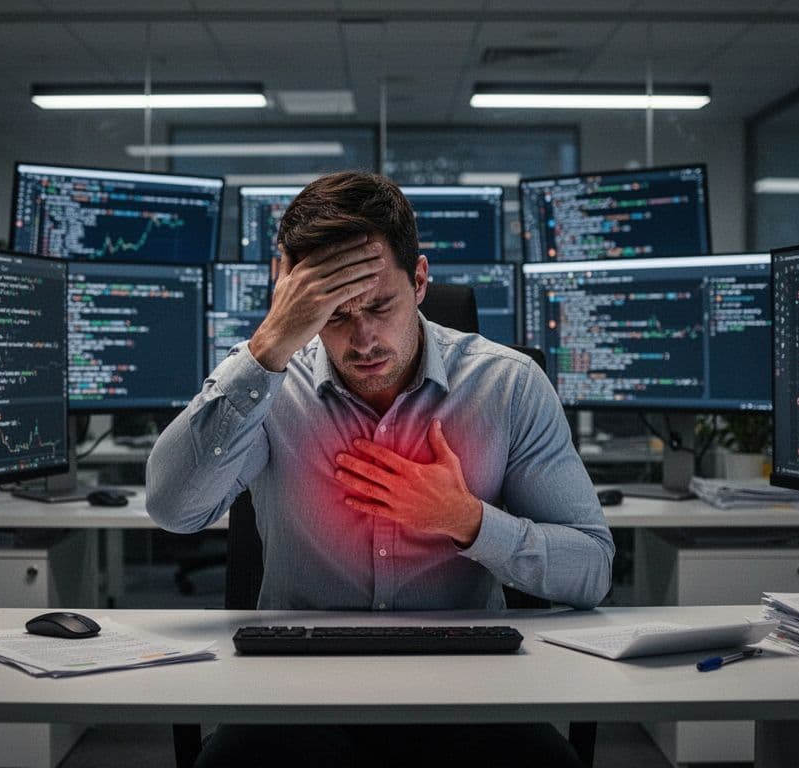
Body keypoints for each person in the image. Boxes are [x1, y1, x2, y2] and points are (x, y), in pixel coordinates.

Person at [146, 171, 614, 767]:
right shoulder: (268, 386)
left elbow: (592, 570)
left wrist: (468, 521)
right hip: (296, 694)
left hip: (469, 693)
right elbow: (172, 511)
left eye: (380, 305)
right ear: (291, 298)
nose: (364, 339)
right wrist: (266, 348)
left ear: (419, 280)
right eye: (335, 315)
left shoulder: (508, 385)